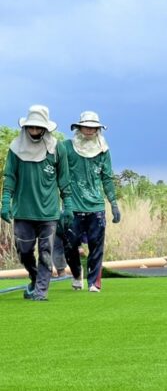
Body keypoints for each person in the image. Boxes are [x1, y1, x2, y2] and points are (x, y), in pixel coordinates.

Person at [0, 105, 73, 300]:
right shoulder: (16, 148)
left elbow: (64, 180)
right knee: (24, 252)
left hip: (48, 211)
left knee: (46, 252)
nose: (34, 131)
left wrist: (69, 205)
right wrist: (5, 201)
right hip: (23, 209)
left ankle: (41, 291)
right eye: (31, 128)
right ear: (26, 127)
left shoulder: (58, 149)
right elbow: (9, 177)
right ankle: (34, 277)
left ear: (45, 129)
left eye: (38, 128)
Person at [62, 111, 121, 293]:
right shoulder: (66, 148)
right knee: (70, 245)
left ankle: (94, 283)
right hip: (73, 206)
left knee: (96, 245)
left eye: (93, 127)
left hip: (96, 206)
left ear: (98, 129)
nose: (89, 130)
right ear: (79, 127)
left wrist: (113, 203)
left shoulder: (103, 150)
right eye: (86, 126)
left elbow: (107, 178)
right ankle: (76, 274)